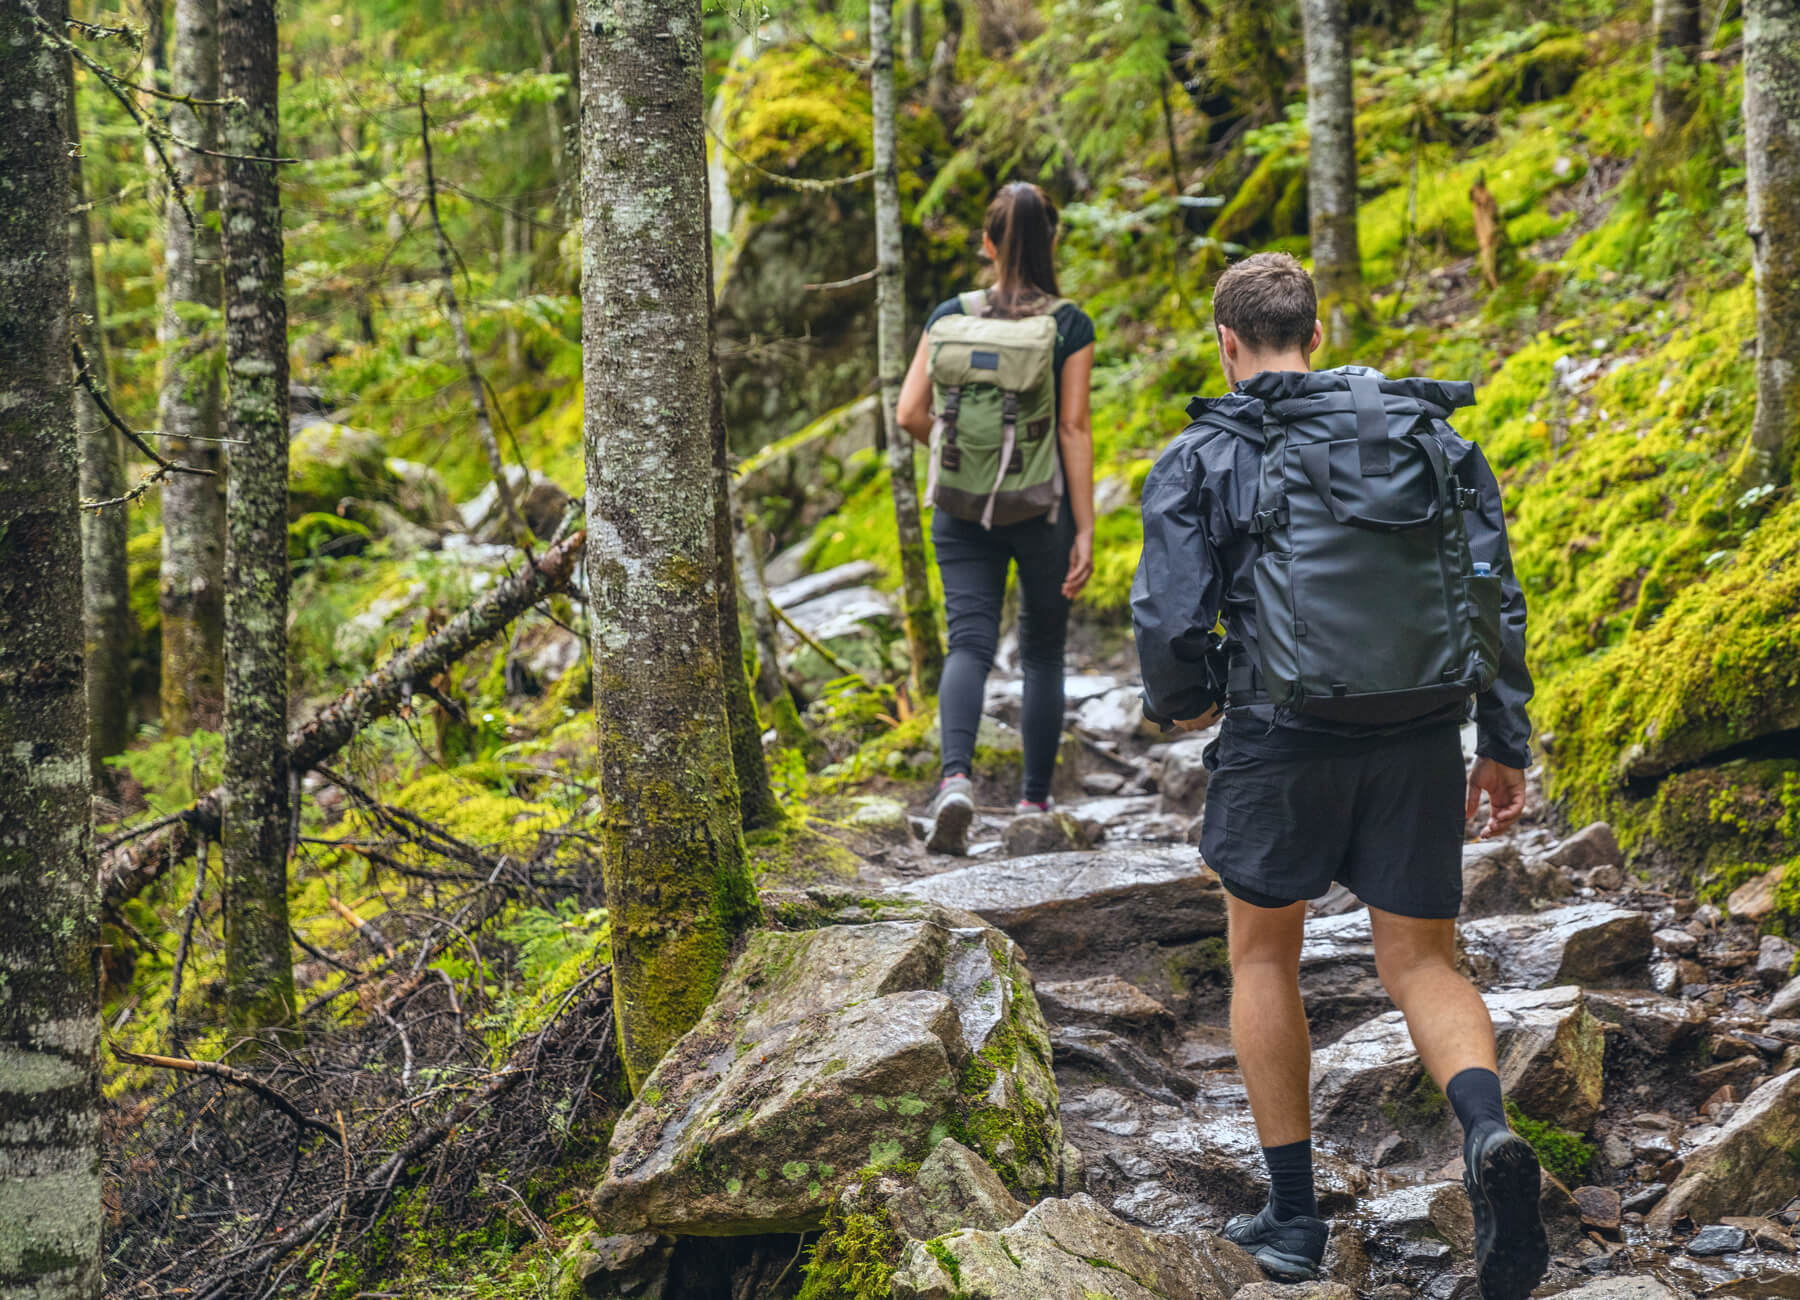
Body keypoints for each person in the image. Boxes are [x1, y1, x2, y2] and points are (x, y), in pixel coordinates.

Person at [1131, 252, 1546, 1300]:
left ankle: (1293, 1220)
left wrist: (1183, 698)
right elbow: (1494, 596)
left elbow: (1173, 621)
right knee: (1423, 962)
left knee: (1264, 955)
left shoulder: (1202, 455)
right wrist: (1503, 739)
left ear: (1228, 343)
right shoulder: (1431, 439)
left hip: (1279, 734)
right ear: (1317, 332)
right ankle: (1489, 1134)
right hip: (1418, 731)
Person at [896, 181, 1096, 855]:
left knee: (970, 644)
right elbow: (1072, 428)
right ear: (1054, 240)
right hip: (1042, 510)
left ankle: (955, 781)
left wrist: (968, 462)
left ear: (987, 244)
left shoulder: (949, 315)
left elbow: (908, 414)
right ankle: (1033, 803)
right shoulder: (1068, 324)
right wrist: (1087, 527)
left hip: (958, 508)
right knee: (1041, 650)